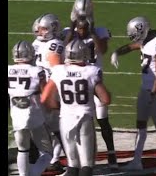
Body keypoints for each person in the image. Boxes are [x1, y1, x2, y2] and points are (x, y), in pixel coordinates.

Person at [110, 16, 156, 173]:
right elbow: (133, 46)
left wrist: (155, 92)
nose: (133, 36)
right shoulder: (146, 40)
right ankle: (137, 161)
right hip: (145, 89)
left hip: (154, 91)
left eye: (134, 33)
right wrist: (117, 52)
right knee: (141, 125)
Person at [41, 39, 112, 176]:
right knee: (86, 164)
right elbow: (105, 99)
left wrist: (57, 107)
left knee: (72, 165)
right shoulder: (91, 71)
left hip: (66, 118)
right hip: (84, 117)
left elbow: (45, 98)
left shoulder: (58, 71)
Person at [63, 0, 118, 169]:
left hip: (95, 81)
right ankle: (78, 159)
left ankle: (111, 155)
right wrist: (72, 30)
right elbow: (63, 49)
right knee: (78, 123)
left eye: (84, 27)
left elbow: (102, 49)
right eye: (80, 28)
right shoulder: (68, 33)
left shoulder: (99, 32)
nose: (82, 30)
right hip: (78, 83)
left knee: (102, 120)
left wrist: (92, 32)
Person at [8, 40, 53, 176]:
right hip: (35, 115)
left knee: (22, 149)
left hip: (16, 115)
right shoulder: (37, 71)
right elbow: (45, 93)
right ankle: (33, 173)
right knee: (47, 153)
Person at [31, 13, 66, 173]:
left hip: (50, 88)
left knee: (52, 125)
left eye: (44, 29)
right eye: (39, 28)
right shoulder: (36, 42)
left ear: (53, 28)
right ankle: (50, 158)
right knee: (44, 125)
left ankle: (56, 158)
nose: (41, 32)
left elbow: (56, 67)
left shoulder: (55, 44)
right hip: (38, 87)